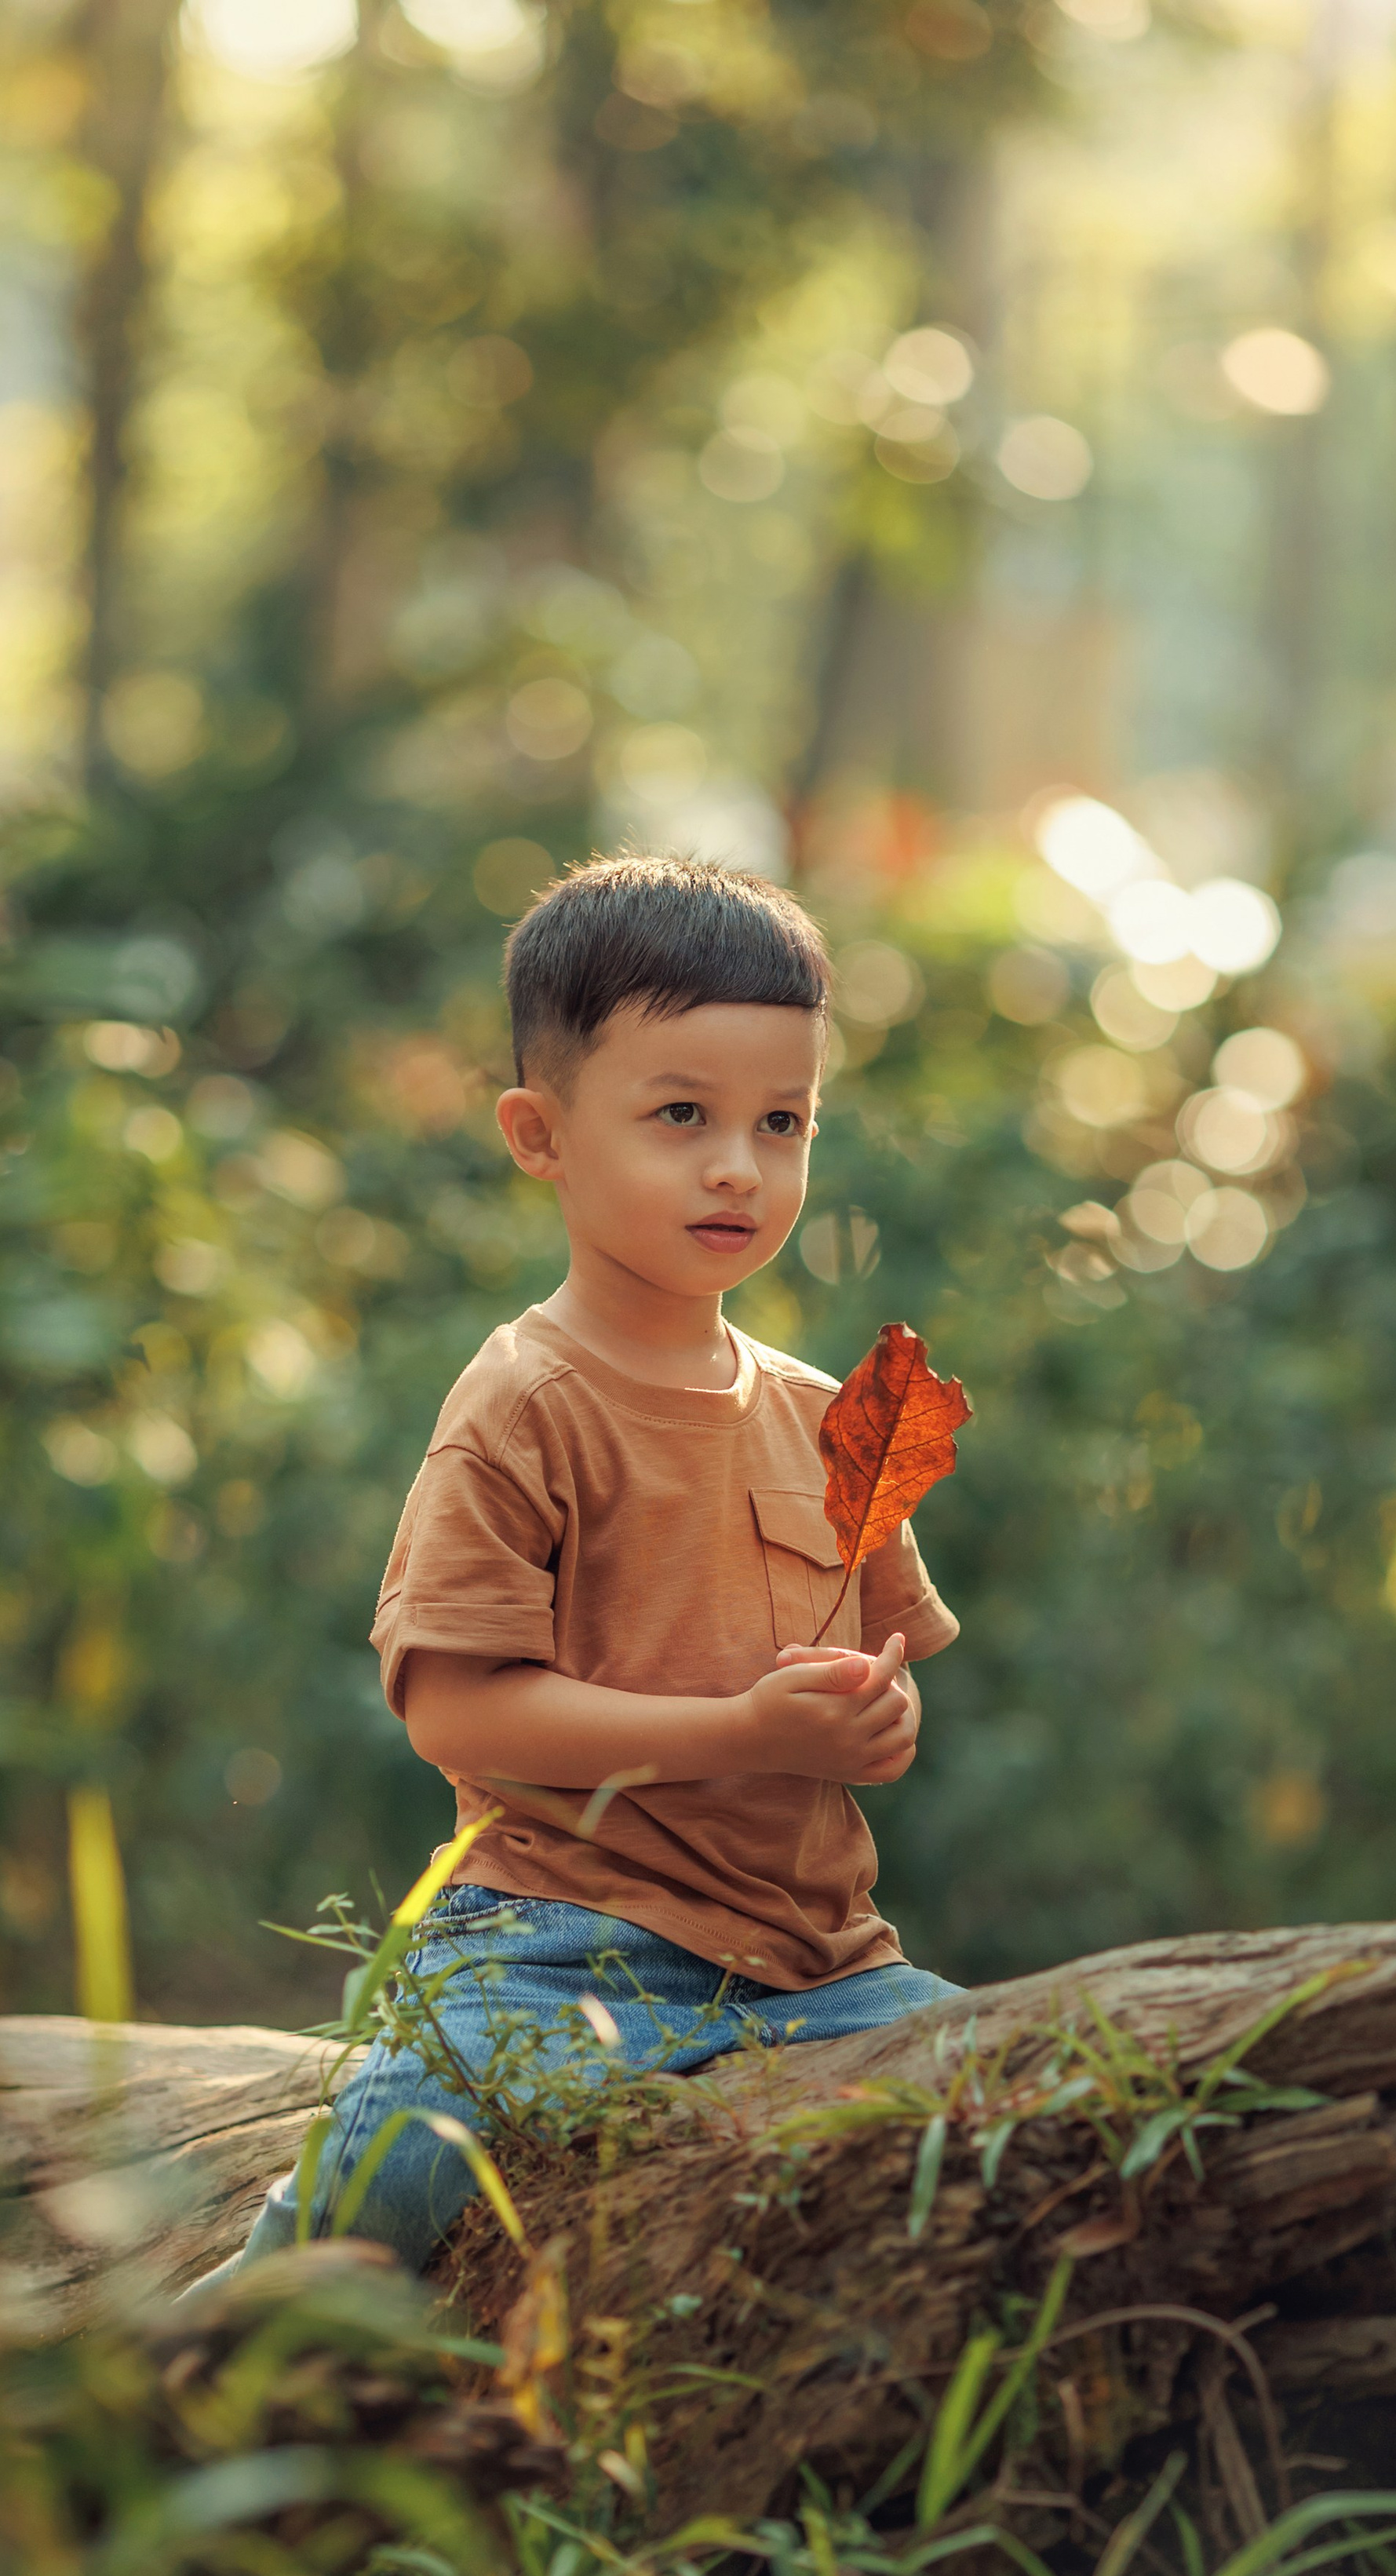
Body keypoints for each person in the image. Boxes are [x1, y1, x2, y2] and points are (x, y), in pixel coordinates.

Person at [201, 853, 964, 2288]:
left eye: (782, 1121)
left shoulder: (830, 1417)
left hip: (821, 1968)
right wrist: (737, 1735)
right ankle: (193, 2378)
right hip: (552, 1949)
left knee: (1033, 2109)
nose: (739, 1165)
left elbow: (880, 1701)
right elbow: (458, 1714)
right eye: (682, 1115)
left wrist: (873, 1723)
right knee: (390, 2178)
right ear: (539, 1134)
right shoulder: (525, 1401)